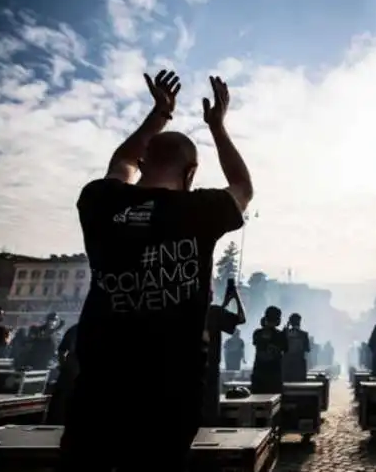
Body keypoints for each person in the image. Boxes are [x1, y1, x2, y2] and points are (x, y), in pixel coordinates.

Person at [59, 70, 253, 472]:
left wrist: (159, 114)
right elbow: (242, 187)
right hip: (171, 393)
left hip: (98, 387)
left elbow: (122, 161)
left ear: (147, 161)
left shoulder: (100, 202)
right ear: (192, 173)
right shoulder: (199, 212)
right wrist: (217, 126)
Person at [203, 279, 246, 425]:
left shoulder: (213, 312)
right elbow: (241, 318)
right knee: (209, 414)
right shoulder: (214, 312)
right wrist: (235, 296)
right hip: (210, 370)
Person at [251, 307, 288, 394]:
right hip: (274, 375)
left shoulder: (257, 333)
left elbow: (258, 344)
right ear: (278, 319)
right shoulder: (280, 335)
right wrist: (284, 335)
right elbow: (285, 350)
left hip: (258, 373)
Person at [47, 323, 79, 424]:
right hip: (74, 366)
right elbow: (62, 350)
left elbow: (62, 350)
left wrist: (64, 365)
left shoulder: (75, 328)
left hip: (72, 366)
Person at [283, 313, 310, 382]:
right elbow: (307, 349)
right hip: (299, 365)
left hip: (287, 364)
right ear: (299, 322)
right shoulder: (304, 334)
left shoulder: (285, 333)